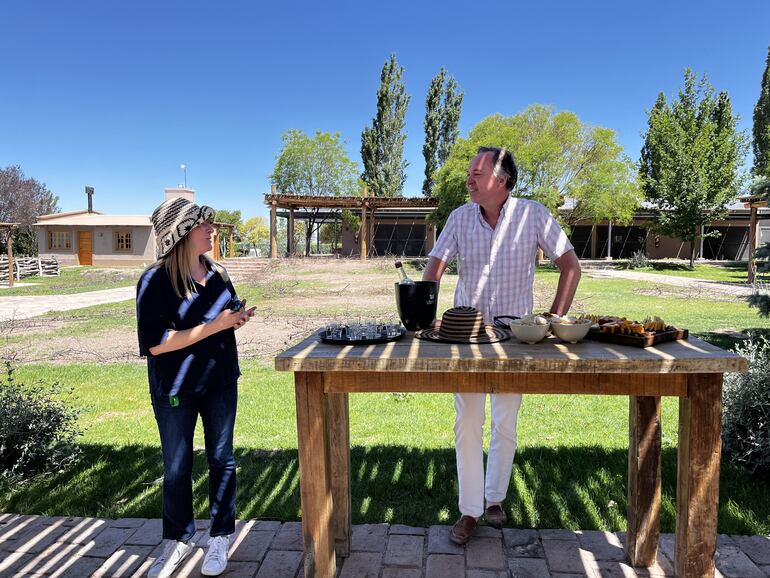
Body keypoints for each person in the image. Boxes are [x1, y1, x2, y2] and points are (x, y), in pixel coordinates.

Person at [421, 147, 582, 545]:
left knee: (505, 422)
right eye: (469, 172)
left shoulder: (534, 214)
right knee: (468, 422)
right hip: (468, 338)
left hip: (515, 341)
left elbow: (571, 266)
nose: (469, 179)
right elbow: (434, 269)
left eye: (477, 172)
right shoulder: (459, 218)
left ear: (502, 180)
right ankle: (470, 510)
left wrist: (551, 321)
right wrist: (427, 316)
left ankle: (495, 499)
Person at [136, 197, 255, 577]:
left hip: (219, 382)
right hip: (174, 388)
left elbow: (224, 313)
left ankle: (219, 536)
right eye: (203, 225)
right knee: (176, 467)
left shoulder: (217, 273)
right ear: (181, 235)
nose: (211, 230)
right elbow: (156, 343)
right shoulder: (153, 281)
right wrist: (216, 325)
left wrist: (235, 319)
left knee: (222, 459)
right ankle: (178, 541)